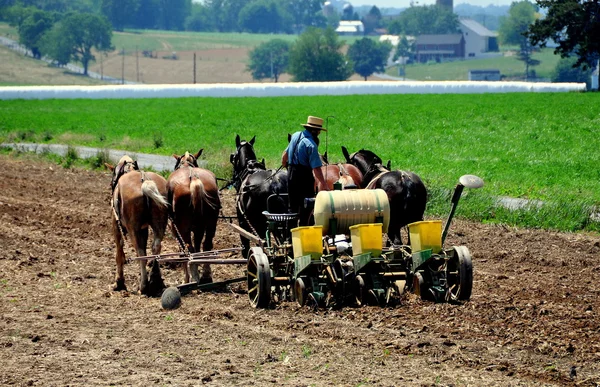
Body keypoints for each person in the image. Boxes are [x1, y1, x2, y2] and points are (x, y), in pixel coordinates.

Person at [281, 115, 329, 226]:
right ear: (314, 131)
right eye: (318, 131)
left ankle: (290, 236)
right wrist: (324, 184)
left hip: (291, 174)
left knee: (292, 207)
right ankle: (304, 230)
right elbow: (316, 169)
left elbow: (284, 156)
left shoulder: (295, 136)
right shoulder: (311, 145)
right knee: (306, 206)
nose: (319, 134)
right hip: (304, 177)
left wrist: (286, 166)